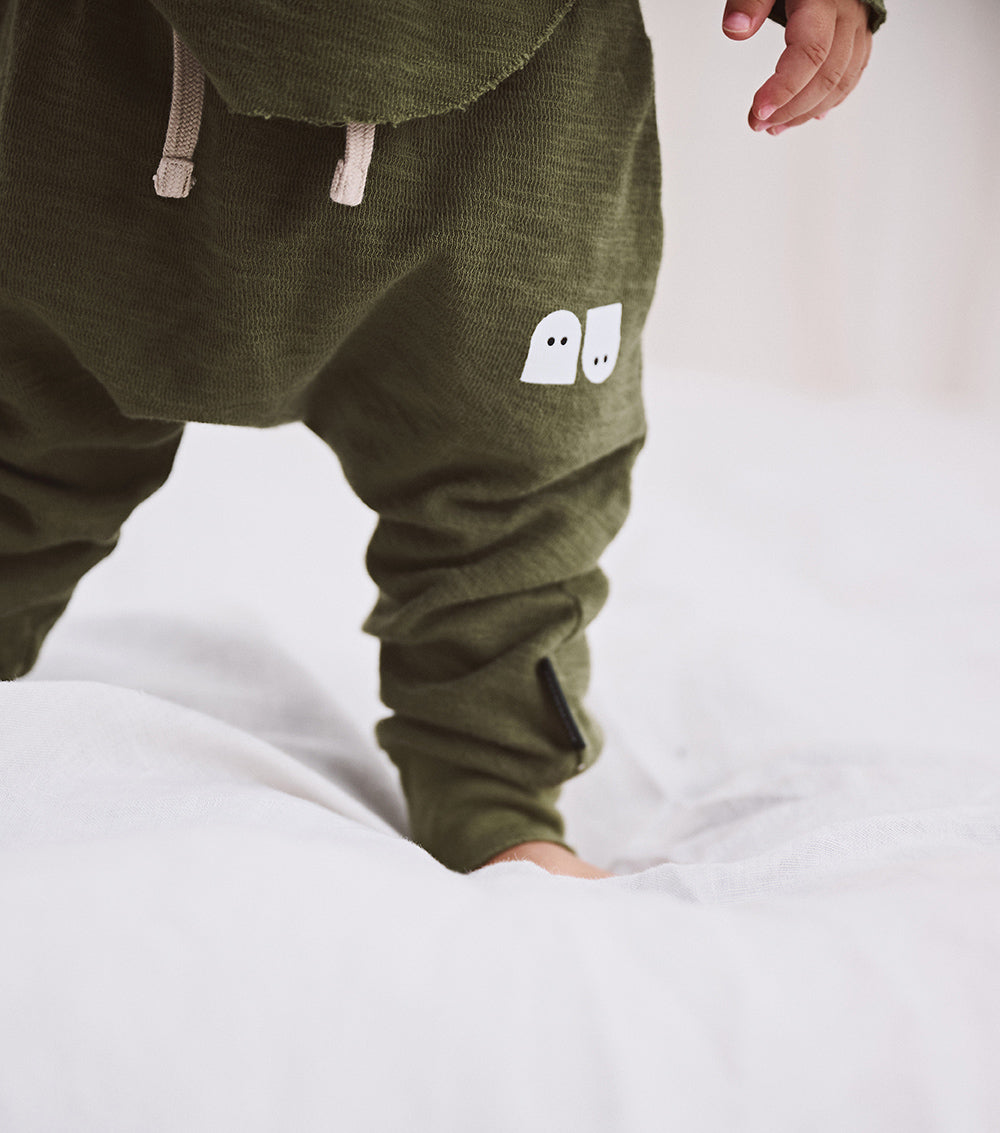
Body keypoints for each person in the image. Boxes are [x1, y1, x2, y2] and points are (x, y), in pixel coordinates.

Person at [0, 0, 884, 878]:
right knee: (24, 422)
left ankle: (491, 780)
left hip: (517, 113)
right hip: (111, 78)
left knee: (517, 473)